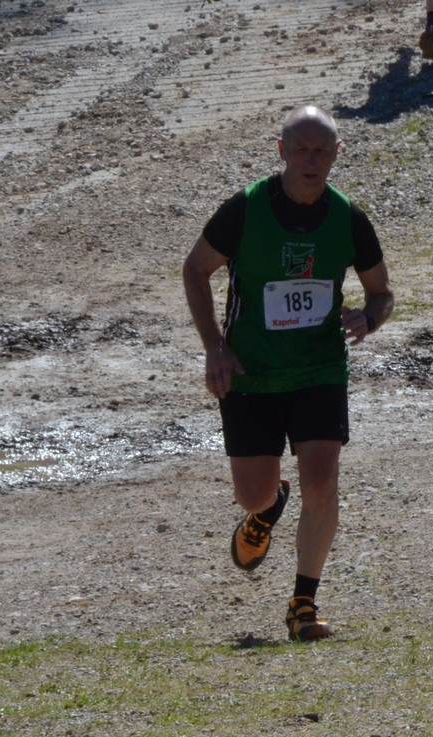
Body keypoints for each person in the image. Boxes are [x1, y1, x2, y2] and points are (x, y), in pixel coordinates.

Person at [182, 104, 394, 642]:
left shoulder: (349, 218)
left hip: (320, 368)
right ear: (282, 151)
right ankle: (265, 509)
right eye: (301, 149)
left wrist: (368, 318)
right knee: (252, 495)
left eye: (322, 150)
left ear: (337, 154)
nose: (311, 160)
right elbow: (196, 269)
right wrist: (214, 347)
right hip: (250, 370)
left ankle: (304, 603)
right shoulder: (246, 209)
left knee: (321, 482)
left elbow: (382, 293)